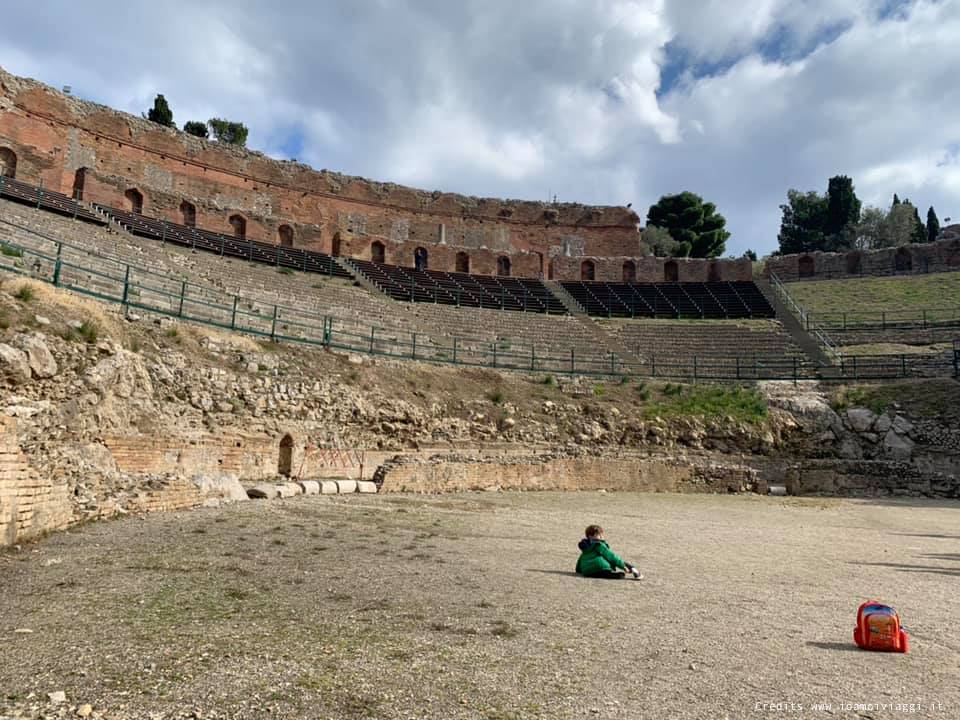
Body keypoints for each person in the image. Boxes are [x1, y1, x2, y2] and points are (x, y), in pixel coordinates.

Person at [575, 524, 642, 580]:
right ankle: (614, 575)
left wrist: (578, 569)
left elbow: (581, 559)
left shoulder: (585, 548)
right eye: (599, 535)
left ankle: (605, 574)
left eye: (602, 535)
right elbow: (611, 556)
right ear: (590, 536)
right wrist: (622, 566)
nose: (601, 537)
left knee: (598, 572)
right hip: (599, 568)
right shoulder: (599, 545)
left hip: (587, 572)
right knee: (614, 573)